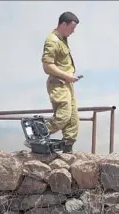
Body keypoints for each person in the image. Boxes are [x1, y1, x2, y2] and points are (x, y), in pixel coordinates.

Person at [25, 12, 81, 153]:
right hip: (58, 83)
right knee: (63, 116)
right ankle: (36, 134)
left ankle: (68, 150)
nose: (73, 32)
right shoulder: (52, 41)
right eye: (71, 28)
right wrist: (66, 76)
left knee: (73, 119)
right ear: (63, 24)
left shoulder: (62, 39)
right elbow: (47, 66)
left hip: (67, 83)